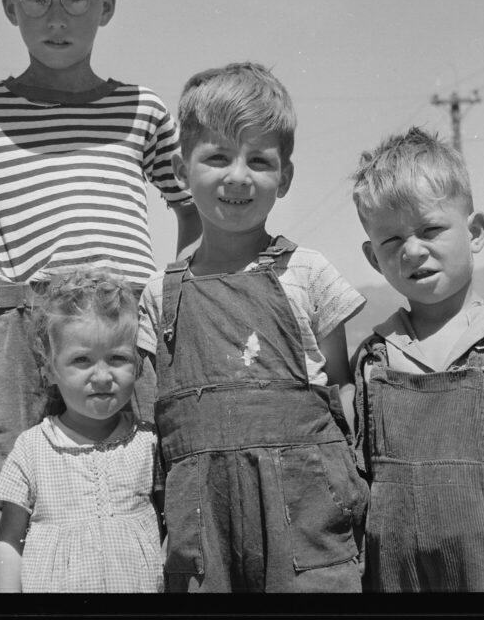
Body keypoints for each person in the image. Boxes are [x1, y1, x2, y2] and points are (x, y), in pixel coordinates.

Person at [0, 0, 200, 591]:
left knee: (147, 493)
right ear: (8, 6)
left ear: (107, 5)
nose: (57, 15)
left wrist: (168, 300)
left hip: (124, 328)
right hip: (20, 331)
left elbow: (187, 208)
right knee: (14, 506)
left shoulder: (141, 108)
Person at [137, 62, 369, 592]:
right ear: (180, 168)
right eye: (217, 157)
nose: (237, 176)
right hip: (202, 520)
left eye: (259, 160)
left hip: (307, 514)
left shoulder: (308, 273)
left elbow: (340, 390)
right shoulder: (159, 293)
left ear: (284, 177)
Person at [350, 126, 484, 592]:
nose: (412, 250)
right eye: (392, 240)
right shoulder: (374, 359)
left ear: (476, 232)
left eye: (431, 229)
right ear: (372, 257)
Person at [0, 269, 164, 593]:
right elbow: (9, 541)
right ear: (49, 370)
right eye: (82, 360)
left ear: (138, 366)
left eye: (117, 358)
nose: (101, 376)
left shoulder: (150, 445)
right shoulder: (32, 449)